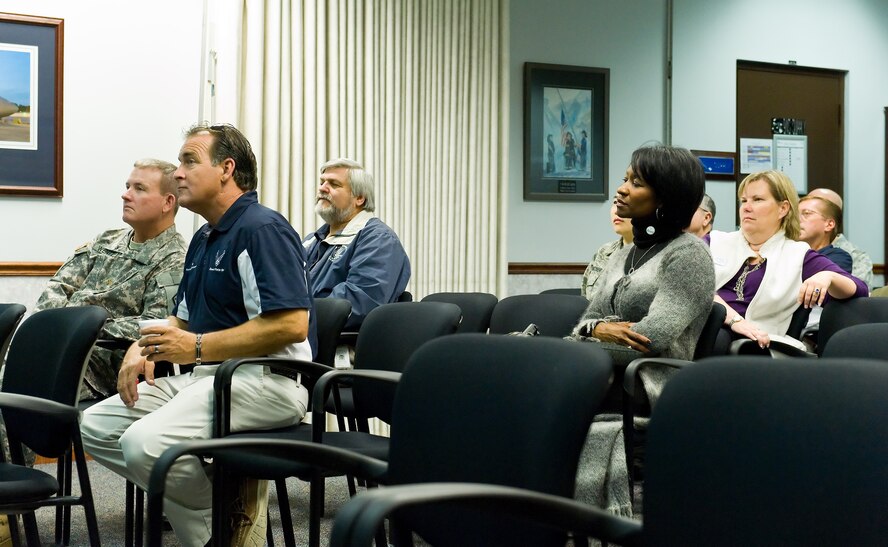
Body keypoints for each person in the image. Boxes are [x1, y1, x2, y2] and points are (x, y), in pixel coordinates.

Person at [80, 124, 316, 547]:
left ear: (227, 169)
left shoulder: (262, 229)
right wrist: (141, 347)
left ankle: (214, 527)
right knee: (96, 425)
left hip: (268, 381)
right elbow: (183, 321)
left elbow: (291, 324)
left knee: (143, 444)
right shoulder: (204, 238)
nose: (178, 173)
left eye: (189, 161)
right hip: (208, 376)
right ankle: (221, 508)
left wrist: (197, 347)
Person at [568, 145, 715, 517]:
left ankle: (577, 520)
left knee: (553, 394)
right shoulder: (624, 253)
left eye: (636, 183)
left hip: (649, 382)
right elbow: (586, 322)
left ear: (665, 197)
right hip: (604, 374)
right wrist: (599, 329)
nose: (621, 189)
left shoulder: (688, 255)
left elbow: (650, 339)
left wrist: (583, 341)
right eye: (625, 179)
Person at [35, 159, 186, 400]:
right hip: (57, 345)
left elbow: (153, 326)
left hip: (100, 364)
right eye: (128, 186)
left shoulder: (175, 260)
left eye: (139, 188)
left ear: (168, 202)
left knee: (25, 384)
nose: (126, 195)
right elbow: (59, 287)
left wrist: (79, 327)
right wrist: (46, 328)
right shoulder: (106, 240)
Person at [709, 171, 867, 352]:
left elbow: (860, 289)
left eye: (758, 200)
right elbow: (691, 287)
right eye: (744, 201)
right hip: (707, 324)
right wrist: (734, 320)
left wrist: (828, 276)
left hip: (756, 342)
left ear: (783, 208)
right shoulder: (714, 241)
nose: (746, 207)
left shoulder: (798, 255)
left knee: (716, 338)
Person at [303, 158, 410, 330]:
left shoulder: (379, 240)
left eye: (334, 184)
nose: (322, 188)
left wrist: (295, 317)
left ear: (359, 198)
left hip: (335, 341)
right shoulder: (311, 240)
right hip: (301, 332)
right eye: (322, 182)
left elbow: (359, 303)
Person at [805, 187, 874, 288]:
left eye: (807, 213)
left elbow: (860, 293)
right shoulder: (792, 247)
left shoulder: (856, 256)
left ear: (831, 220)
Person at [580, 203, 634, 299]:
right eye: (615, 202)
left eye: (625, 203)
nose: (617, 210)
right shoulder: (604, 251)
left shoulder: (655, 256)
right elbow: (584, 297)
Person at [798, 195, 852, 272]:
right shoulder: (789, 252)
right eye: (794, 215)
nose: (796, 219)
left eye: (806, 213)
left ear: (829, 224)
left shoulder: (838, 257)